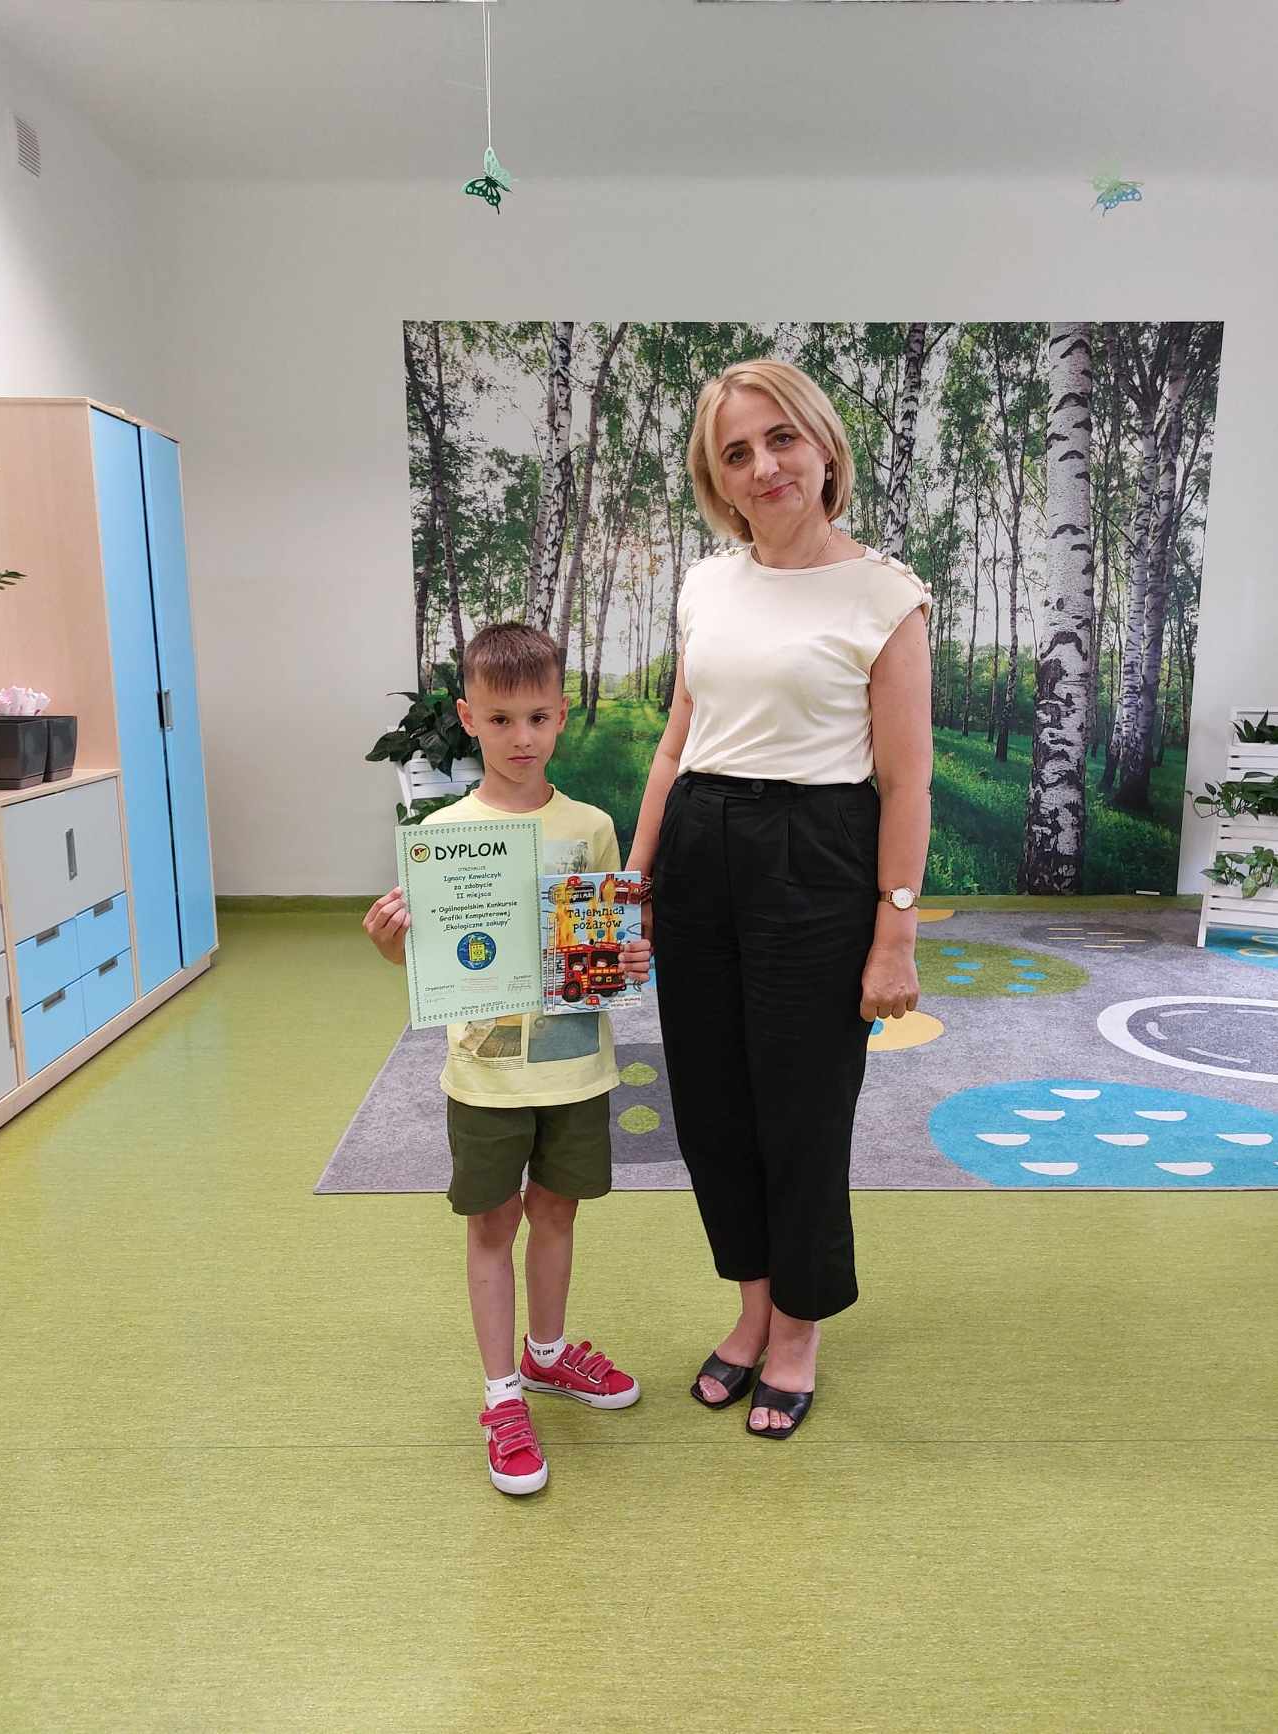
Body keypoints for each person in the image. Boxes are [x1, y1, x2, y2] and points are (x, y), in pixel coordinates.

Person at [626, 358, 933, 1439]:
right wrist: (638, 876)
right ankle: (751, 1307)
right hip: (699, 843)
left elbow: (906, 783)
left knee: (801, 1109)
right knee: (710, 1105)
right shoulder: (705, 585)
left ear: (821, 444)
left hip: (817, 854)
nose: (764, 467)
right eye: (736, 453)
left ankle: (799, 1326)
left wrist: (893, 935)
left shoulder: (885, 596)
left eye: (780, 439)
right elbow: (675, 743)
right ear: (716, 478)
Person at [364, 623, 652, 1495]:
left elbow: (606, 948)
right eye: (499, 720)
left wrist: (627, 956)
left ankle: (547, 1355)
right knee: (492, 1226)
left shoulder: (591, 826)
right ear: (468, 719)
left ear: (561, 715)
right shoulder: (442, 834)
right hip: (485, 1074)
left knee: (556, 1213)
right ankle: (500, 1395)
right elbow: (425, 959)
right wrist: (389, 940)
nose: (521, 738)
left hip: (575, 1065)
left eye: (536, 717)